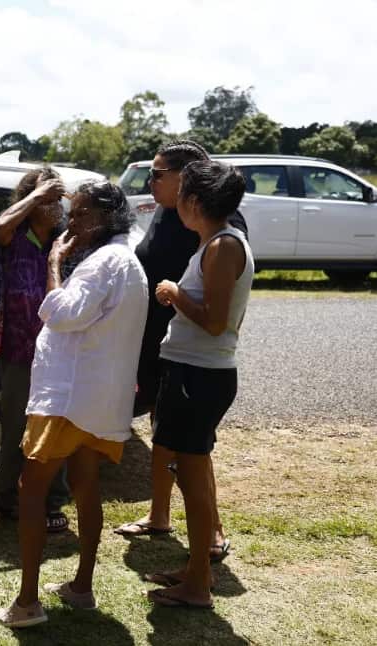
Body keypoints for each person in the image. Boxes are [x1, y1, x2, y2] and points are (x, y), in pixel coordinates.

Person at [0, 181, 148, 627]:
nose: (71, 222)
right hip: (96, 400)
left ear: (102, 218)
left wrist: (55, 262)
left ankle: (26, 603)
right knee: (85, 485)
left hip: (68, 398)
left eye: (79, 214)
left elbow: (60, 313)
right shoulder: (125, 261)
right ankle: (81, 587)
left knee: (32, 491)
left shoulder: (101, 263)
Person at [114, 141, 247, 565]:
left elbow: (216, 311)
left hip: (198, 359)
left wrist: (174, 295)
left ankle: (211, 535)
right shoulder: (170, 213)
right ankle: (159, 516)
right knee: (164, 434)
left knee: (193, 450)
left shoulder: (219, 230)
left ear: (188, 181)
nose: (150, 183)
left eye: (157, 175)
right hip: (163, 346)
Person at [143, 161, 253, 609]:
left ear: (194, 202)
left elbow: (215, 322)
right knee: (191, 473)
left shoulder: (223, 246)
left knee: (192, 480)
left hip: (200, 374)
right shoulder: (213, 242)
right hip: (193, 371)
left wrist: (173, 293)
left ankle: (198, 583)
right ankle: (194, 571)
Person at [0, 166, 71, 533]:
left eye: (58, 199)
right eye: (49, 200)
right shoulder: (14, 236)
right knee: (14, 428)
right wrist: (35, 196)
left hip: (59, 350)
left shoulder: (65, 240)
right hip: (18, 349)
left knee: (53, 427)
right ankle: (4, 500)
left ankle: (53, 503)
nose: (56, 207)